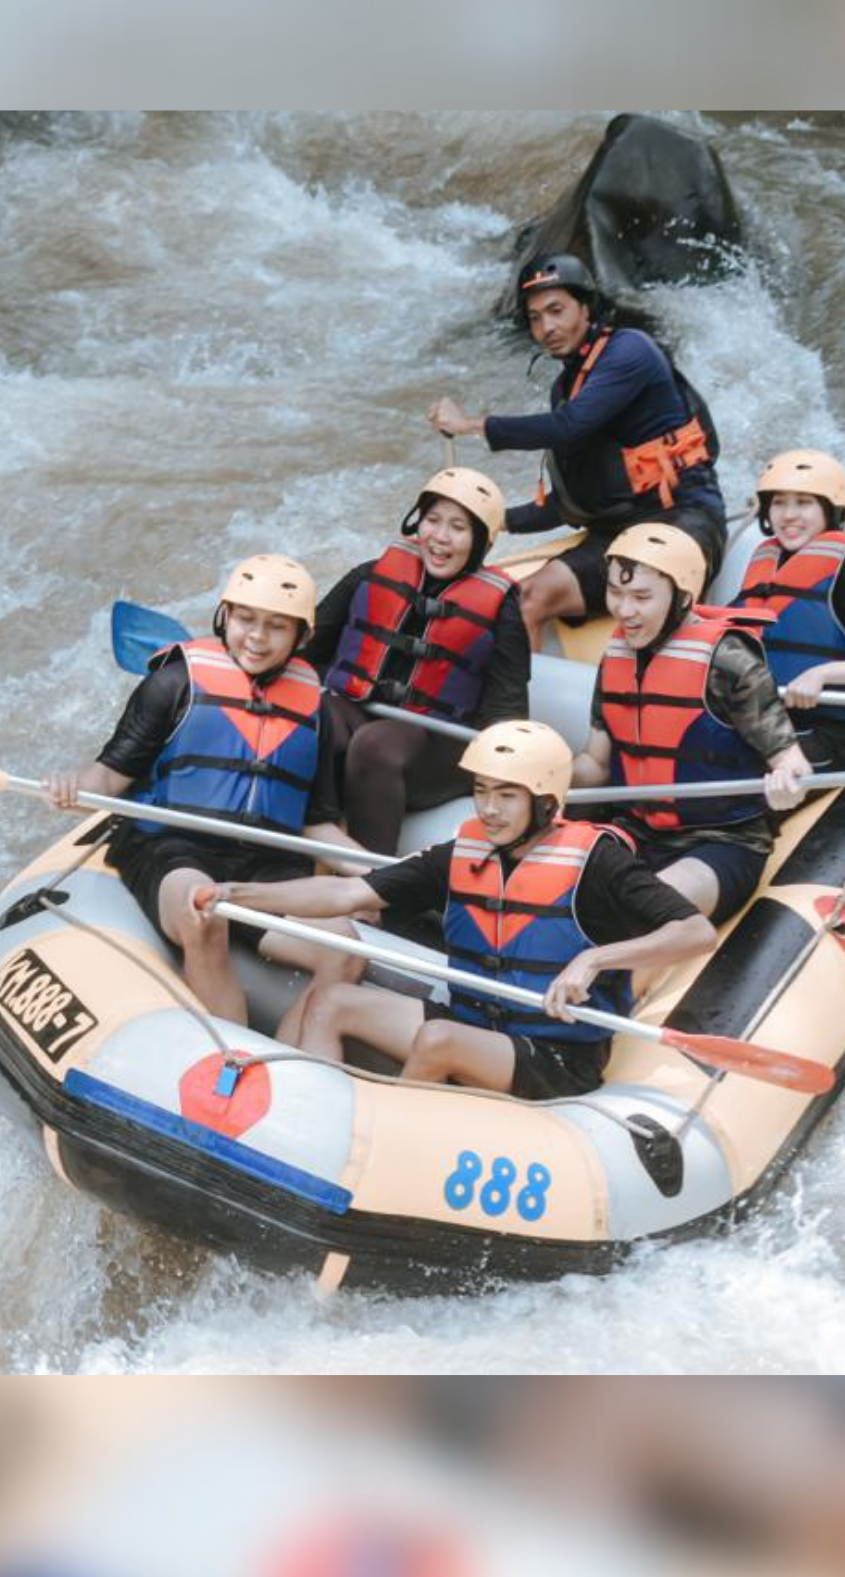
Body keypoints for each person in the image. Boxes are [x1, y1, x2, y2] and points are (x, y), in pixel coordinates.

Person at [195, 719, 715, 1101]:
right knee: (330, 1001)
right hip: (474, 1021)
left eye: (507, 796)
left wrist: (595, 960)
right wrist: (237, 896)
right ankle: (314, 1118)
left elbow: (695, 932)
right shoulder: (463, 853)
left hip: (553, 1053)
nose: (488, 809)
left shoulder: (598, 863)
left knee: (438, 1039)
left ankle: (384, 1145)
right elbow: (346, 896)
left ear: (546, 803)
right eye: (481, 792)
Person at [46, 554, 350, 1024]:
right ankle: (229, 1048)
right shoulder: (173, 683)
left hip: (266, 866)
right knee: (204, 910)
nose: (257, 636)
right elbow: (109, 777)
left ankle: (293, 1051)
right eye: (245, 619)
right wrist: (74, 787)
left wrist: (381, 875)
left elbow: (316, 822)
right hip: (174, 849)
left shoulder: (315, 708)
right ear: (225, 615)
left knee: (343, 948)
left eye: (276, 626)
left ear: (301, 637)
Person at [427, 252, 727, 646]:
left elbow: (568, 427)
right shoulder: (566, 389)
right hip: (615, 532)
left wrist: (470, 425)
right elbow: (573, 502)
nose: (547, 327)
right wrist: (494, 519)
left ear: (585, 307)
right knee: (525, 599)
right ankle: (518, 689)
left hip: (682, 518)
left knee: (640, 589)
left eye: (556, 310)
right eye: (535, 318)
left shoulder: (631, 351)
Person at [568, 523, 813, 924]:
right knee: (557, 895)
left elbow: (792, 761)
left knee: (645, 910)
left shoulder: (729, 660)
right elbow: (596, 765)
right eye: (615, 593)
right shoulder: (616, 655)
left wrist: (788, 786)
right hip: (634, 831)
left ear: (683, 596)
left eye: (641, 597)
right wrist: (544, 771)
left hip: (721, 842)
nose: (624, 610)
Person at [303, 465, 531, 855]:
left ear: (481, 541)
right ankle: (300, 843)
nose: (440, 537)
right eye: (433, 520)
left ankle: (372, 879)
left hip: (443, 746)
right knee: (320, 717)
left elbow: (506, 712)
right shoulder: (370, 575)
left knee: (375, 744)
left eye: (458, 527)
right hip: (367, 714)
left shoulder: (502, 610)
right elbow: (306, 650)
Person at [736, 451, 845, 778]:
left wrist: (821, 674)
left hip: (820, 733)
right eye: (779, 503)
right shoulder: (765, 565)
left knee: (733, 778)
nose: (789, 515)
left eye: (803, 503)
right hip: (763, 722)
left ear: (830, 510)